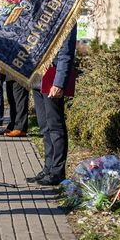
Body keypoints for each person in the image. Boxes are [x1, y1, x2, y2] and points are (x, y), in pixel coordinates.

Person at [28, 26, 77, 186]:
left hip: (52, 79)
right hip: (37, 79)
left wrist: (59, 83)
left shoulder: (65, 16)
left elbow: (66, 54)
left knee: (55, 126)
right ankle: (48, 168)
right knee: (44, 126)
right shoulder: (40, 16)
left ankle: (57, 172)